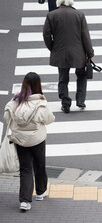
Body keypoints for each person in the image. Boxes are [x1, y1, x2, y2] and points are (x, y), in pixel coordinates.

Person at [3, 72, 55, 211]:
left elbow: (7, 117)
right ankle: (40, 192)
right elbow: (49, 119)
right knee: (40, 164)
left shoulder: (15, 102)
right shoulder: (40, 103)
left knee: (25, 169)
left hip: (20, 140)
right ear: (38, 85)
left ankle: (25, 201)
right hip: (37, 139)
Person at [43, 0, 94, 114]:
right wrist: (90, 53)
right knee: (81, 75)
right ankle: (80, 100)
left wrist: (53, 48)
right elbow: (85, 36)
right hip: (79, 52)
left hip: (60, 51)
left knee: (63, 78)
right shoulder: (79, 15)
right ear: (71, 1)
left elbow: (46, 35)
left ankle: (65, 103)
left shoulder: (51, 15)